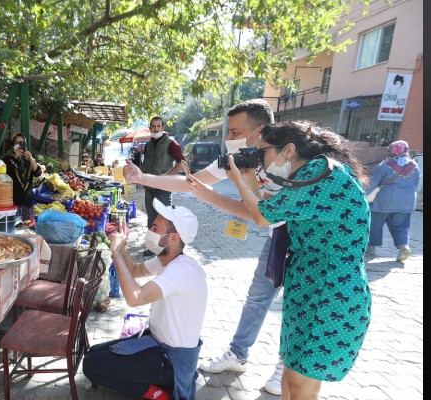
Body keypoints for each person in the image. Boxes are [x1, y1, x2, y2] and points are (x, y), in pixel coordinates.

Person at [124, 99, 285, 394]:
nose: (228, 139)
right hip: (278, 236)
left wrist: (211, 195)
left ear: (259, 131)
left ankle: (286, 367)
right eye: (228, 131)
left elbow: (258, 214)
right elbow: (190, 183)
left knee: (296, 307)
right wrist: (142, 177)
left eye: (235, 132)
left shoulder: (283, 160)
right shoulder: (236, 159)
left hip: (307, 240)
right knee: (257, 298)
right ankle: (238, 354)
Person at [225, 120, 371, 398]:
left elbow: (261, 215)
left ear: (288, 150)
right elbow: (271, 204)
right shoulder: (312, 174)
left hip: (328, 292)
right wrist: (248, 183)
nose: (262, 159)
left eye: (264, 151)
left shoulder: (321, 174)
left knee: (301, 384)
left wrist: (240, 180)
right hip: (311, 287)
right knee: (291, 377)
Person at [83, 199, 206, 400]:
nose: (150, 229)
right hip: (156, 341)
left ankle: (160, 394)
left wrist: (115, 253)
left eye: (156, 227)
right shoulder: (167, 259)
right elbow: (135, 270)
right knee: (94, 352)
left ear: (173, 238)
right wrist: (122, 249)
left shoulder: (181, 270)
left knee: (91, 365)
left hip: (171, 359)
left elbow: (135, 297)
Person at [365, 140, 420, 261]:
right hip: (406, 202)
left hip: (384, 201)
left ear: (392, 150)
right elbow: (416, 185)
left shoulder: (385, 165)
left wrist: (364, 196)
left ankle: (371, 247)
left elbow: (372, 183)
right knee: (401, 226)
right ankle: (404, 246)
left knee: (375, 224)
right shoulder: (414, 166)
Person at [140, 117, 185, 256]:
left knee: (166, 218)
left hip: (164, 189)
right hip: (149, 187)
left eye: (158, 126)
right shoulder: (148, 145)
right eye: (153, 126)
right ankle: (153, 247)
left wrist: (167, 177)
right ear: (150, 128)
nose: (155, 129)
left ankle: (170, 248)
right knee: (151, 218)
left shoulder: (172, 143)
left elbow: (182, 163)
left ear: (163, 127)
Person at [2, 134, 41, 221]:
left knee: (28, 229)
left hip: (27, 202)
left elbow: (38, 172)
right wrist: (15, 156)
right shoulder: (8, 159)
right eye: (17, 143)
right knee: (16, 228)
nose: (19, 145)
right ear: (13, 145)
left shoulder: (28, 159)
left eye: (22, 143)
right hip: (14, 202)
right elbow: (6, 174)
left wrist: (30, 158)